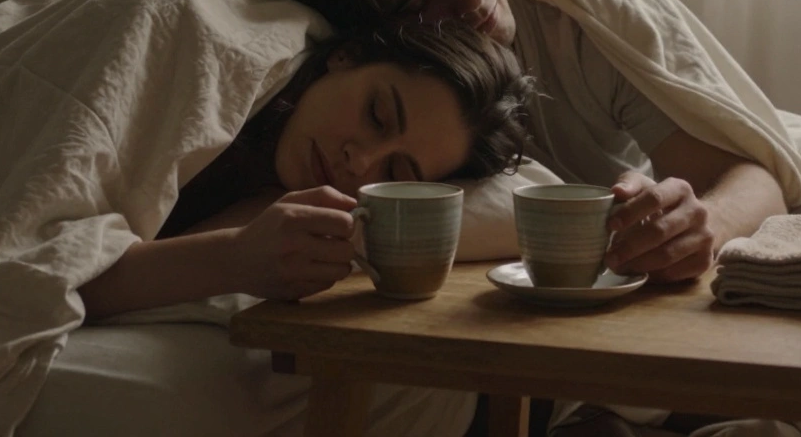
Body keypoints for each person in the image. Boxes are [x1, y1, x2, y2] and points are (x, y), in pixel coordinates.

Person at [268, 0, 787, 285]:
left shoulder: (580, 17)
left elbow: (755, 179)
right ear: (368, 42)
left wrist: (706, 225)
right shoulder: (342, 106)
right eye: (416, 6)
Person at [79, 19, 533, 320]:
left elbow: (536, 193)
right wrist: (231, 258)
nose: (360, 161)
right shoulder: (211, 56)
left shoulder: (277, 195)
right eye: (376, 115)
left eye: (395, 170)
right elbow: (40, 270)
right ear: (347, 56)